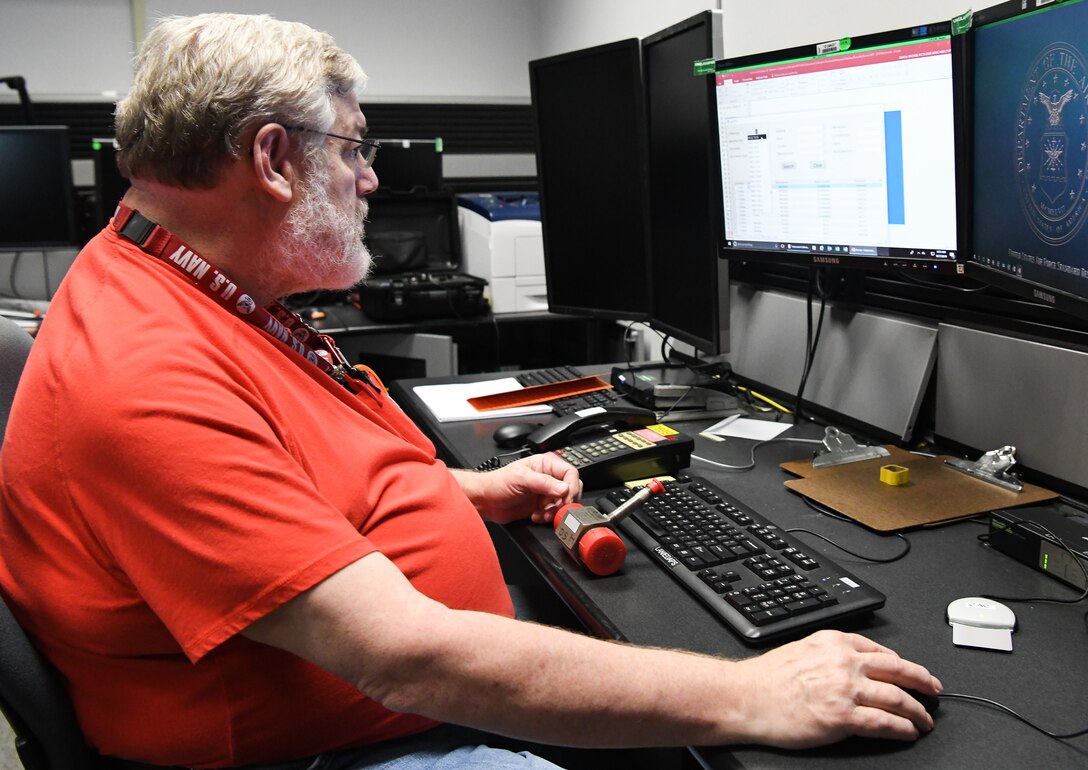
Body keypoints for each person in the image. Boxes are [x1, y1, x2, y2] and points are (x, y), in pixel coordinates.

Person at [0, 12, 942, 770]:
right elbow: (405, 659)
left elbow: (282, 475)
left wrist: (464, 491)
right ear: (274, 160)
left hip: (376, 696)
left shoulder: (187, 284)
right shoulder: (143, 375)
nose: (371, 179)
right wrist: (752, 693)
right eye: (355, 149)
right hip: (333, 742)